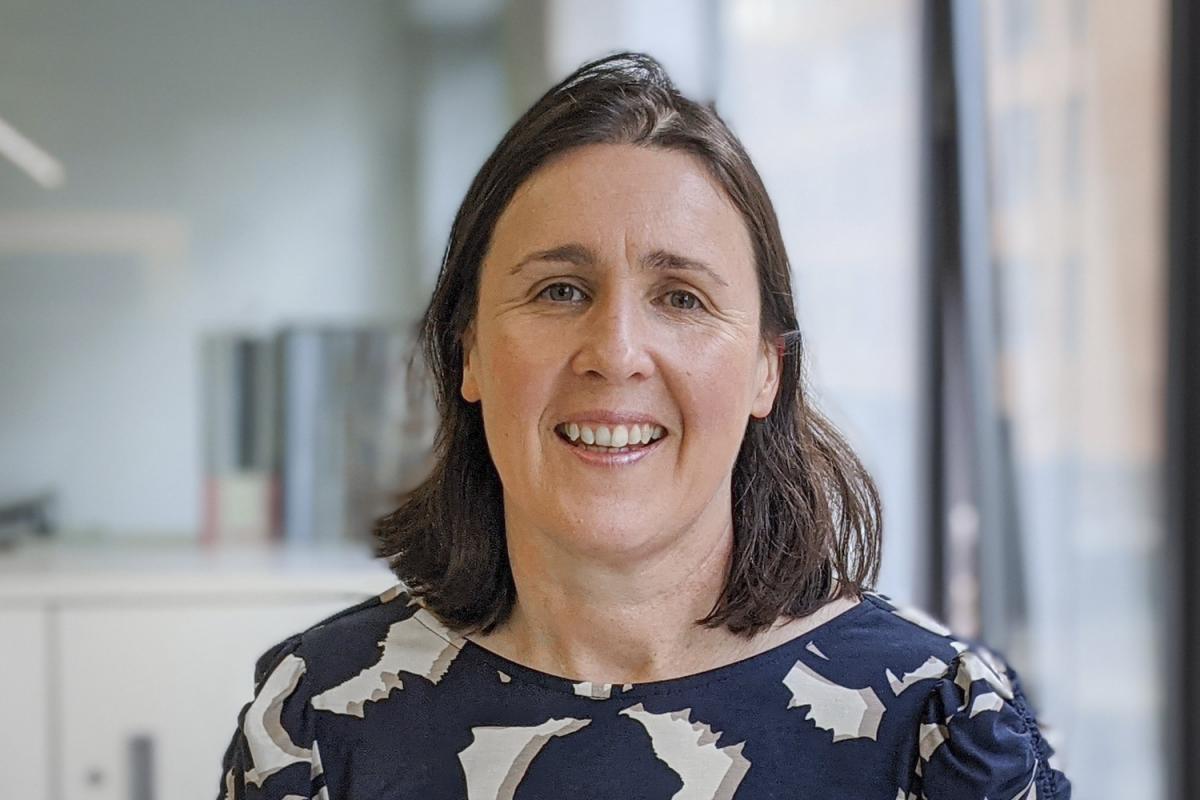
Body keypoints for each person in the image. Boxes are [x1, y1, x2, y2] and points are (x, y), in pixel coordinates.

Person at [217, 52, 1070, 799]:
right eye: (560, 291)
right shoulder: (321, 717)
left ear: (767, 369)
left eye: (682, 299)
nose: (616, 353)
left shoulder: (936, 724)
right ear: (469, 351)